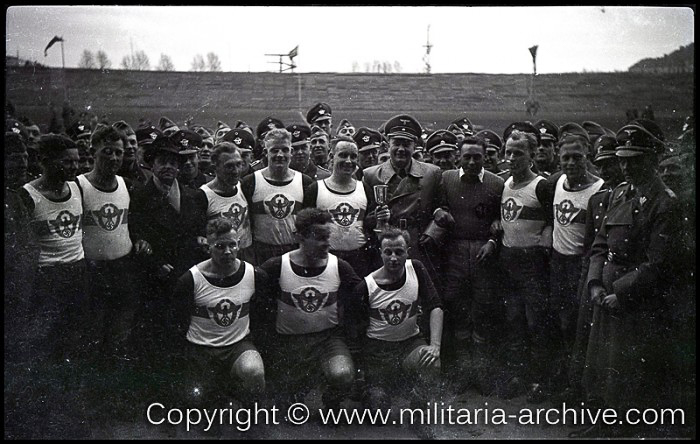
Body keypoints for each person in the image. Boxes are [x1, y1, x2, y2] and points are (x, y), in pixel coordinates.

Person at [578, 123, 681, 438]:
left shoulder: (665, 202)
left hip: (636, 298)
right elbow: (599, 245)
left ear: (652, 159)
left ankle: (625, 425)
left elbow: (658, 263)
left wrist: (621, 294)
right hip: (605, 292)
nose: (626, 166)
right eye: (622, 159)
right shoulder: (618, 194)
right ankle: (604, 420)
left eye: (634, 159)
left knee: (627, 366)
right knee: (602, 361)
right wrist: (595, 284)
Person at [257, 208, 362, 410]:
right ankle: (299, 385)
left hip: (327, 341)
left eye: (328, 237)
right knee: (285, 406)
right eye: (320, 238)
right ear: (300, 237)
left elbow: (366, 293)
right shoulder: (276, 266)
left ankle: (331, 397)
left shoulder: (339, 266)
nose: (327, 244)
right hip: (290, 344)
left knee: (343, 375)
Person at [351, 227, 443, 437]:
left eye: (399, 252)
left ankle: (418, 414)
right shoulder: (366, 286)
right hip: (379, 354)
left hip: (410, 344)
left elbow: (436, 306)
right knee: (378, 414)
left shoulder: (416, 269)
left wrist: (435, 345)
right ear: (380, 253)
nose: (393, 258)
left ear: (408, 252)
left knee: (431, 361)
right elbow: (354, 330)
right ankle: (370, 390)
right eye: (388, 252)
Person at [432, 136, 504, 391]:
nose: (472, 162)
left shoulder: (497, 183)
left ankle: (481, 372)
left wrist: (493, 240)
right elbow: (437, 204)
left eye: (477, 157)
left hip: (483, 254)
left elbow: (501, 218)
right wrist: (438, 212)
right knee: (458, 310)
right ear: (458, 157)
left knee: (483, 312)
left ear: (485, 157)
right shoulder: (447, 178)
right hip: (456, 252)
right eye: (467, 157)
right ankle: (464, 371)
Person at [76, 125, 153, 361]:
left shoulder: (127, 185)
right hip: (92, 270)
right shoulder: (78, 186)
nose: (114, 158)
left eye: (119, 153)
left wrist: (140, 239)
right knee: (93, 333)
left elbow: (135, 224)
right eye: (107, 152)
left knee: (120, 334)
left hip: (123, 270)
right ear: (93, 152)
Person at [173, 217, 267, 408]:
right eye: (220, 246)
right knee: (198, 404)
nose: (227, 252)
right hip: (201, 349)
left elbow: (261, 315)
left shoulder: (253, 275)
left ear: (239, 245)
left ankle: (248, 411)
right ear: (208, 248)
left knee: (254, 373)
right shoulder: (191, 279)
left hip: (237, 346)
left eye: (232, 245)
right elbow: (177, 320)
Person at [563, 134, 624, 405]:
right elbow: (592, 247)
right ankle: (581, 393)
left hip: (621, 279)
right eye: (603, 164)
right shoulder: (598, 200)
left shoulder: (632, 198)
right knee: (583, 335)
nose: (608, 169)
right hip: (594, 276)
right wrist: (590, 281)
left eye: (613, 163)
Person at [18, 134, 88, 362]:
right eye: (67, 162)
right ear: (46, 161)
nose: (74, 167)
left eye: (76, 161)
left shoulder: (77, 187)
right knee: (44, 340)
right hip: (47, 278)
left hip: (77, 272)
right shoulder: (28, 196)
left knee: (75, 337)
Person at [497, 127, 555, 401]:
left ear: (532, 155)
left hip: (533, 264)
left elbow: (556, 220)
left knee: (536, 322)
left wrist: (547, 232)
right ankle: (517, 376)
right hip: (509, 262)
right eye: (508, 152)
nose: (511, 158)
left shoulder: (541, 186)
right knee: (513, 321)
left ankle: (540, 380)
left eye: (518, 153)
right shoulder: (504, 184)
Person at [546, 135, 604, 401]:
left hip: (581, 265)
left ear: (588, 155)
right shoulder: (557, 182)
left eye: (577, 157)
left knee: (579, 326)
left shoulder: (599, 190)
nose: (570, 163)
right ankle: (564, 377)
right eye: (565, 157)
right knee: (560, 322)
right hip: (558, 262)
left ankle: (579, 386)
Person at [362, 114, 444, 283]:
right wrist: (377, 218)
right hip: (388, 245)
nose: (401, 149)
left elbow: (443, 209)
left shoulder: (431, 174)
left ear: (414, 146)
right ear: (387, 145)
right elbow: (365, 218)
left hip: (419, 243)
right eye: (396, 143)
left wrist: (431, 234)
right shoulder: (371, 176)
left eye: (406, 144)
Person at [240, 128, 314, 265]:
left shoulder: (305, 182)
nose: (280, 155)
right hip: (262, 252)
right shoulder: (250, 182)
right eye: (274, 150)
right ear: (265, 153)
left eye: (285, 150)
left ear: (291, 152)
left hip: (294, 251)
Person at [305, 136, 376, 279]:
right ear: (332, 156)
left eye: (353, 156)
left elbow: (370, 227)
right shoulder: (316, 189)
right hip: (325, 259)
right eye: (343, 155)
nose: (349, 161)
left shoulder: (365, 189)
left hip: (359, 259)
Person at [197, 142, 254, 264]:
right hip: (222, 258)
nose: (236, 171)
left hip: (247, 255)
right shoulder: (203, 195)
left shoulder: (243, 187)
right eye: (229, 166)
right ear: (215, 167)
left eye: (239, 164)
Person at [113, 120, 150, 185]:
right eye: (124, 143)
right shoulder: (109, 177)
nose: (129, 146)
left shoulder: (148, 176)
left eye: (132, 142)